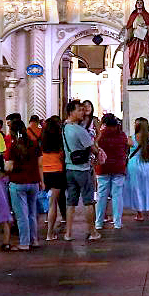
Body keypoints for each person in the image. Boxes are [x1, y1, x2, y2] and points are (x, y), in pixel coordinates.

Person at [61, 100, 97, 240]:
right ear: (71, 112)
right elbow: (92, 147)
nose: (82, 112)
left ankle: (68, 233)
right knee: (88, 201)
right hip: (82, 169)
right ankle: (93, 232)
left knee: (71, 202)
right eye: (79, 110)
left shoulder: (64, 128)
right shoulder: (79, 130)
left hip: (69, 168)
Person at [5, 117, 41, 251]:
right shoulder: (34, 144)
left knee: (21, 216)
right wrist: (41, 181)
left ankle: (24, 242)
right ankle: (34, 240)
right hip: (33, 182)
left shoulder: (13, 147)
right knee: (32, 213)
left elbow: (9, 166)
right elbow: (40, 164)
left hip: (18, 182)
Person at [92, 114, 128, 238]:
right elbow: (125, 149)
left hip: (103, 168)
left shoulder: (100, 135)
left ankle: (98, 223)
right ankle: (117, 222)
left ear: (104, 123)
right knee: (117, 195)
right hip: (119, 167)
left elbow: (95, 148)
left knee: (102, 195)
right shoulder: (122, 135)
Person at [128, 117, 149, 222]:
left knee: (137, 189)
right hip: (147, 164)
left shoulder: (131, 138)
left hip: (134, 165)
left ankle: (140, 214)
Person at [40, 117, 67, 242]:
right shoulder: (60, 141)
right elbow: (62, 158)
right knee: (53, 204)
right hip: (57, 172)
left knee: (48, 202)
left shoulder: (42, 142)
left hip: (44, 173)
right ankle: (50, 233)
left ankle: (48, 232)